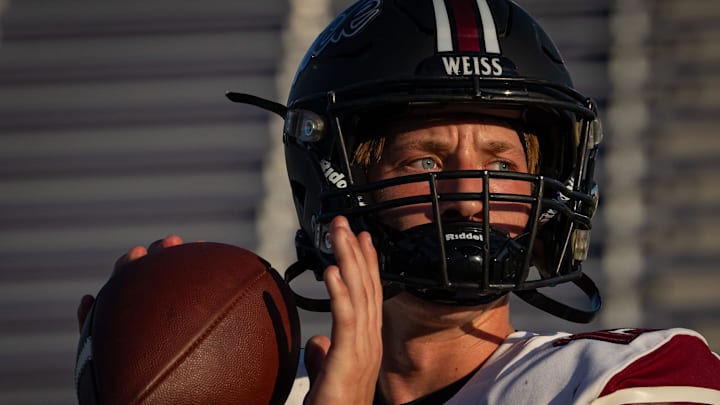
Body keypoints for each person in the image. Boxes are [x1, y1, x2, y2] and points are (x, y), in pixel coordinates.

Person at [79, 0, 720, 403]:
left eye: (500, 164)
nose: (471, 199)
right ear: (334, 183)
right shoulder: (267, 394)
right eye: (424, 163)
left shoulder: (628, 379)